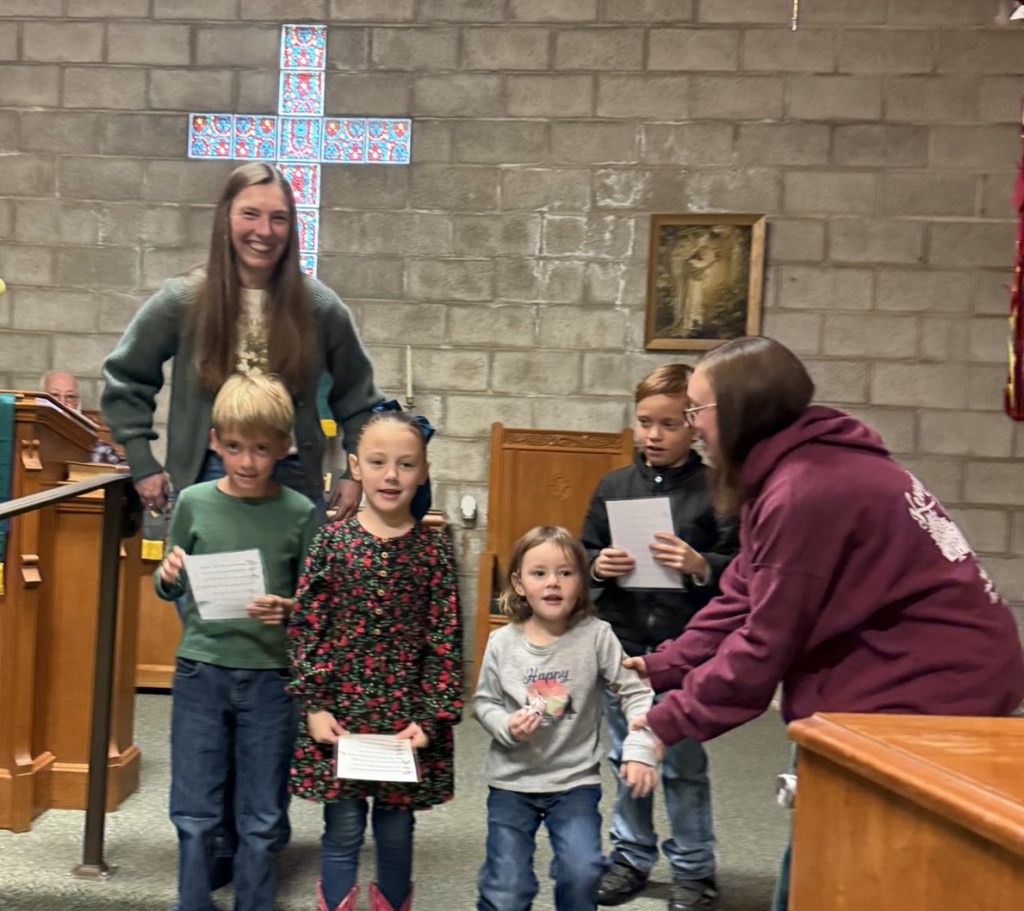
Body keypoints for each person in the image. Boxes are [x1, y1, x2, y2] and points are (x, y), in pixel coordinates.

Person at [625, 336, 1024, 911]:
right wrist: (667, 664)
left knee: (864, 871)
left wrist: (664, 725)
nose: (692, 425)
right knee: (822, 853)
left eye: (696, 409)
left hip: (929, 693)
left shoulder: (805, 489)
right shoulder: (797, 469)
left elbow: (766, 646)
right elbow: (744, 589)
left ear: (740, 410)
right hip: (913, 679)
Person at [101, 161, 381, 517]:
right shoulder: (183, 301)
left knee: (297, 576)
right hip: (207, 471)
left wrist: (354, 472)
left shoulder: (319, 308)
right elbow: (125, 377)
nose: (264, 230)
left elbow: (359, 399)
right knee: (205, 574)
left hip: (294, 474)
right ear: (226, 218)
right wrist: (142, 461)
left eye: (278, 218)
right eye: (250, 214)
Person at [154, 373, 317, 911]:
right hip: (203, 671)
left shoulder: (298, 513)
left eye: (262, 449)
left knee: (263, 815)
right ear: (214, 441)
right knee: (195, 812)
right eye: (234, 447)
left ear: (283, 448)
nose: (247, 462)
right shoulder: (196, 503)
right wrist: (170, 571)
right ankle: (193, 902)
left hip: (272, 679)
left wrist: (291, 609)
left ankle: (255, 902)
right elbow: (166, 584)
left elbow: (317, 606)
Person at [287, 410, 463, 911]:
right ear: (355, 467)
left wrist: (430, 718)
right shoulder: (332, 542)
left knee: (395, 828)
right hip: (342, 716)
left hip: (404, 722)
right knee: (342, 826)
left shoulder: (433, 551)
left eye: (406, 465)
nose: (392, 475)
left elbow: (445, 639)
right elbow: (309, 628)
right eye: (379, 462)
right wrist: (315, 705)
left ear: (423, 471)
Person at [581, 364, 738, 911]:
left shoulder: (719, 489)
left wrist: (701, 564)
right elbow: (581, 554)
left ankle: (694, 868)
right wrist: (599, 564)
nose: (653, 435)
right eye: (645, 422)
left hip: (685, 650)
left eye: (669, 424)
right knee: (626, 757)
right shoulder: (613, 486)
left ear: (694, 426)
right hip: (623, 645)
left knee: (682, 763)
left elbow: (742, 569)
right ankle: (630, 856)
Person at [474, 525, 660, 911]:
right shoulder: (502, 643)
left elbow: (637, 691)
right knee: (505, 888)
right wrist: (505, 727)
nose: (553, 583)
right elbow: (485, 702)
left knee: (583, 871)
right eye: (539, 573)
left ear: (581, 582)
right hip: (512, 782)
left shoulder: (597, 636)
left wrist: (639, 749)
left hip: (573, 782)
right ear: (519, 583)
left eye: (565, 572)